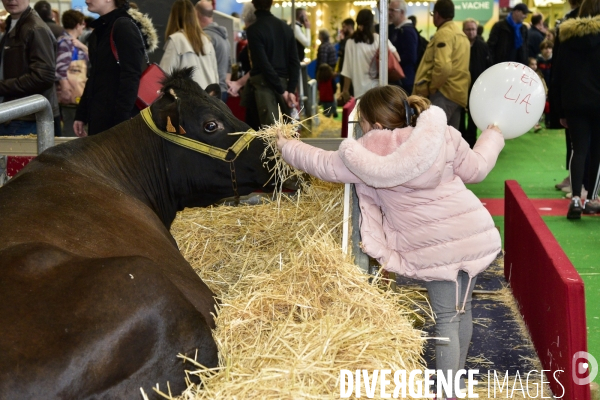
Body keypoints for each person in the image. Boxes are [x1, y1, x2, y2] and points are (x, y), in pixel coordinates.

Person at [277, 85, 504, 399]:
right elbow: (477, 168)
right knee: (462, 311)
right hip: (471, 232)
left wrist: (286, 145)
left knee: (446, 319)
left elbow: (324, 165)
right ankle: (457, 386)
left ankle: (449, 393)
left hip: (434, 248)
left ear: (375, 124)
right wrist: (492, 134)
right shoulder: (443, 134)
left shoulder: (366, 151)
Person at [73, 0, 157, 137]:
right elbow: (94, 75)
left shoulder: (123, 26)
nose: (86, 0)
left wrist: (122, 122)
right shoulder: (101, 30)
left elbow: (131, 75)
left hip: (116, 121)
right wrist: (81, 114)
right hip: (102, 117)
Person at [554, 0, 600, 218]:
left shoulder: (565, 36)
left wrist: (559, 110)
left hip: (573, 102)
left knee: (578, 149)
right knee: (597, 151)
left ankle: (574, 198)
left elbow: (557, 74)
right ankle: (591, 198)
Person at [0, 0, 59, 136]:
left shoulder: (35, 28)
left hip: (26, 118)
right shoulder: (13, 24)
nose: (11, 0)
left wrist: (2, 87)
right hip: (15, 114)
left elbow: (43, 77)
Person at [413, 0, 470, 130]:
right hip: (458, 94)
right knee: (450, 138)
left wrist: (432, 88)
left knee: (433, 136)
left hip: (443, 93)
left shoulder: (444, 34)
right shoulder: (461, 35)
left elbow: (443, 67)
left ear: (437, 15)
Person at [246, 0, 299, 126]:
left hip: (263, 89)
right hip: (283, 85)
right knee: (285, 135)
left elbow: (264, 65)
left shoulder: (254, 30)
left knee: (267, 136)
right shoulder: (286, 28)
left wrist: (283, 91)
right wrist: (290, 90)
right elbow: (295, 62)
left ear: (254, 3)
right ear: (272, 3)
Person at [339, 9, 399, 102]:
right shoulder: (379, 39)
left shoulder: (350, 42)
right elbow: (397, 58)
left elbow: (347, 69)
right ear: (372, 22)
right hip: (378, 89)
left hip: (359, 93)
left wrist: (345, 90)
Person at [56, 9, 89, 137]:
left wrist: (82, 46)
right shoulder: (66, 42)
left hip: (75, 93)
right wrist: (65, 89)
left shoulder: (74, 43)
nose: (83, 27)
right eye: (82, 24)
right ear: (77, 25)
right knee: (71, 131)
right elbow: (60, 68)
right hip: (71, 94)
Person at [460, 18, 491, 148]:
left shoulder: (483, 46)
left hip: (478, 86)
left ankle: (472, 141)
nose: (471, 32)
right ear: (463, 30)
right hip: (460, 85)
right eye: (468, 29)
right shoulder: (459, 44)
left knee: (474, 114)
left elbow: (489, 66)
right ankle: (460, 139)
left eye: (473, 29)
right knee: (460, 113)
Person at [196, 0, 232, 102]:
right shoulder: (224, 37)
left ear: (196, 14)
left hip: (211, 94)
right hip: (222, 92)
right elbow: (229, 67)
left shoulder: (205, 37)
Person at [388, 0, 418, 93]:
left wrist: (394, 60)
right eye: (389, 10)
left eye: (392, 10)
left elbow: (410, 57)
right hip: (400, 81)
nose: (389, 13)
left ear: (402, 12)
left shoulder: (407, 31)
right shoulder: (397, 30)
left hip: (404, 82)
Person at [528, 57, 547, 132]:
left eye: (535, 64)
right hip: (529, 97)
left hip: (537, 97)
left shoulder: (539, 75)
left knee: (536, 111)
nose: (534, 66)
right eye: (532, 64)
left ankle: (536, 124)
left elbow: (543, 84)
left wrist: (545, 92)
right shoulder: (525, 75)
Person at [337, 18, 355, 98]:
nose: (342, 29)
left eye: (344, 27)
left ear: (349, 26)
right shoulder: (348, 39)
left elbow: (341, 54)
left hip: (347, 72)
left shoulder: (349, 40)